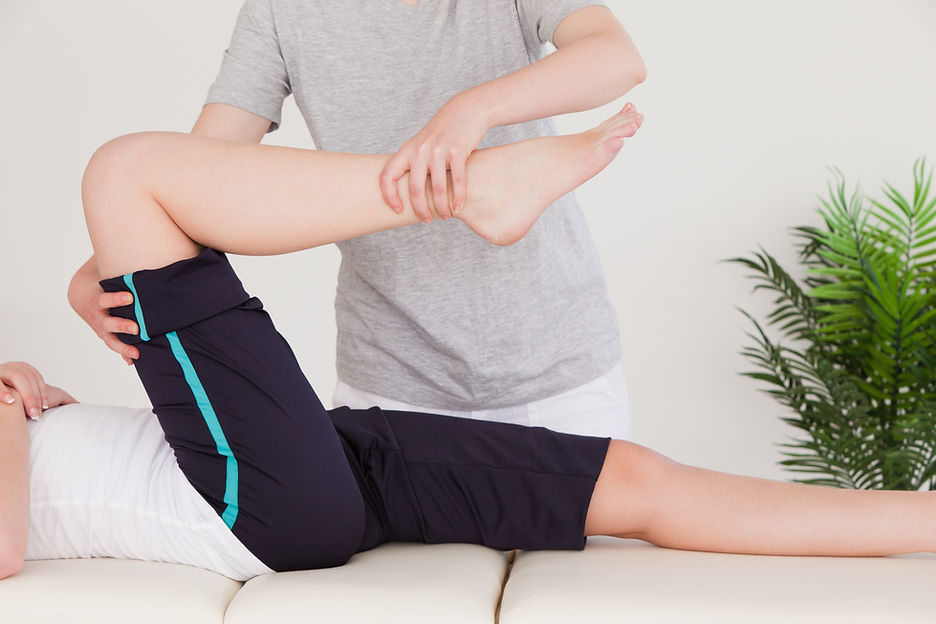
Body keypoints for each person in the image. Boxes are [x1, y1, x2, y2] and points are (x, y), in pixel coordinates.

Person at [2, 110, 934, 581]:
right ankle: (462, 188)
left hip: (292, 470)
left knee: (635, 482)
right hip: (244, 502)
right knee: (127, 174)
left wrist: (34, 392)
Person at [68, 0, 647, 440]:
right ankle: (484, 187)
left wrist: (471, 108)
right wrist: (102, 268)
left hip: (565, 374)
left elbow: (614, 56)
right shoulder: (281, 12)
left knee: (575, 595)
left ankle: (488, 185)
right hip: (391, 384)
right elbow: (198, 174)